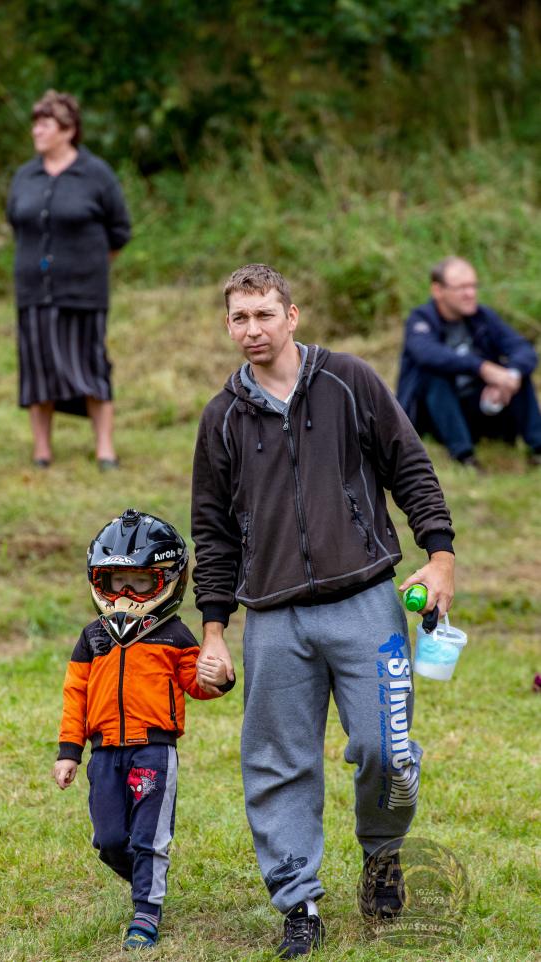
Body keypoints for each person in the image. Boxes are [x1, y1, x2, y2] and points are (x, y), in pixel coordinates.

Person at [191, 264, 455, 958]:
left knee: (387, 751)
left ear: (292, 316)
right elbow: (212, 531)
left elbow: (410, 466)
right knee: (278, 764)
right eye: (239, 318)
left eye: (264, 314)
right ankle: (299, 902)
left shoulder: (349, 381)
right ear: (227, 325)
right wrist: (214, 629)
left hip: (366, 602)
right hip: (273, 618)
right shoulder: (221, 418)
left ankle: (383, 855)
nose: (252, 329)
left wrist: (440, 555)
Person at [53, 508, 234, 950]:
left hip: (154, 751)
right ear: (101, 580)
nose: (127, 592)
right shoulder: (92, 637)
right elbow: (75, 695)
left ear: (166, 581)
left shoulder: (175, 635)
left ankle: (146, 912)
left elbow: (197, 684)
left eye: (140, 581)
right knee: (109, 840)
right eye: (118, 581)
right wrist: (69, 751)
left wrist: (219, 678)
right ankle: (146, 881)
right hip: (104, 754)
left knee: (150, 837)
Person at [7, 90, 131, 469]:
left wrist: (86, 265)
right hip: (33, 291)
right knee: (37, 368)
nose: (36, 130)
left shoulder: (96, 174)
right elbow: (16, 222)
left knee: (91, 365)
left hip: (84, 292)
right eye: (35, 123)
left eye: (45, 124)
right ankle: (42, 451)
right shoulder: (25, 176)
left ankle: (105, 450)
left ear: (68, 130)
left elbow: (119, 231)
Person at [396, 256, 541, 469]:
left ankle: (537, 449)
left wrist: (508, 377)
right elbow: (427, 353)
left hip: (480, 405)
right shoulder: (420, 320)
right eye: (461, 288)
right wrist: (482, 368)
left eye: (473, 286)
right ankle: (464, 457)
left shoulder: (483, 317)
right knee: (433, 374)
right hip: (435, 416)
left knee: (518, 374)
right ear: (438, 290)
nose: (470, 293)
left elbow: (523, 349)